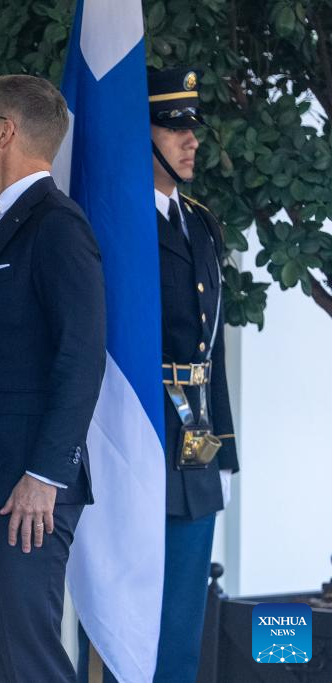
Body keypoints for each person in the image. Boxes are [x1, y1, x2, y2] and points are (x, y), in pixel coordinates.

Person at [0, 74, 106, 682]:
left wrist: (45, 475)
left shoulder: (58, 226)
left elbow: (81, 357)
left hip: (26, 492)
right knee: (1, 664)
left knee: (30, 662)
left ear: (6, 132)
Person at [148, 66, 239, 682]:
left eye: (193, 129)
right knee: (128, 627)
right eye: (172, 128)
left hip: (195, 442)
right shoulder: (118, 224)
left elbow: (213, 349)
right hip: (141, 434)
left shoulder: (201, 222)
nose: (191, 140)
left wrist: (224, 448)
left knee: (182, 630)